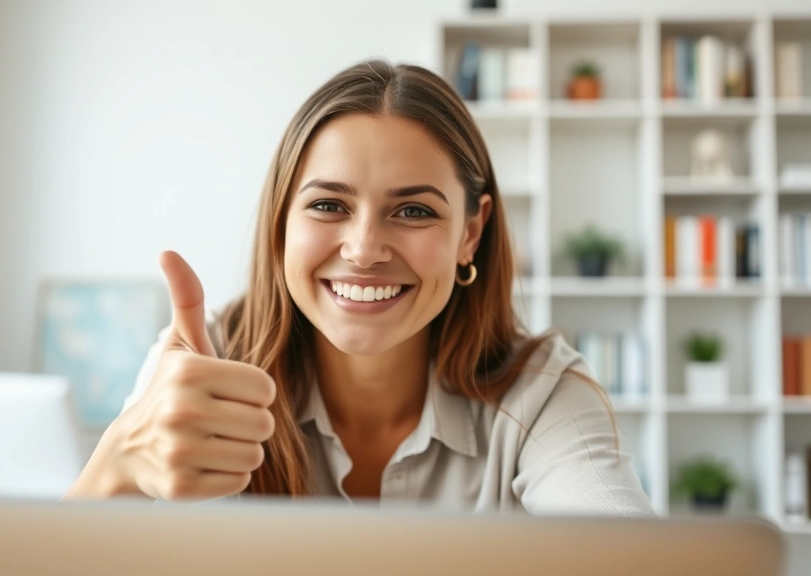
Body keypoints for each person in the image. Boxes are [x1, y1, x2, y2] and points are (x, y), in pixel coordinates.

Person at [66, 59, 655, 516]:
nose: (364, 249)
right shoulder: (203, 363)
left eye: (415, 212)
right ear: (281, 222)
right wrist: (119, 462)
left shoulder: (540, 394)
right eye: (328, 205)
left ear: (470, 234)